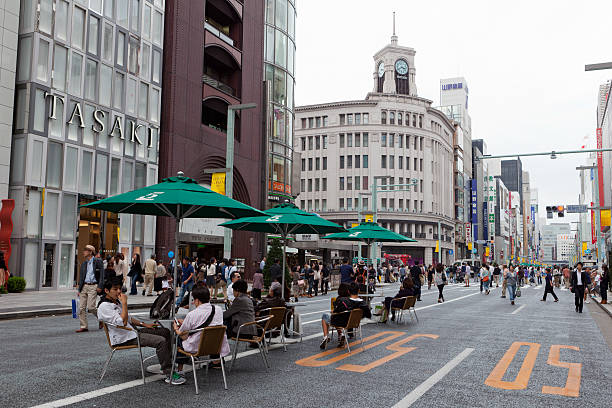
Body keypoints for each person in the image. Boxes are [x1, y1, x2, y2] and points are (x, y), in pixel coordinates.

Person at [98, 277, 185, 385]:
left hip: (132, 332)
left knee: (165, 331)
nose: (119, 291)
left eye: (119, 288)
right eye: (115, 289)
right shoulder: (104, 306)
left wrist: (144, 324)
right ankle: (169, 374)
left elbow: (128, 318)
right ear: (106, 291)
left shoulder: (115, 302)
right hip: (124, 338)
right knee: (161, 341)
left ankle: (169, 363)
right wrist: (124, 303)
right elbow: (122, 322)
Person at [173, 285, 230, 371]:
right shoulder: (218, 310)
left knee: (178, 339)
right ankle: (216, 361)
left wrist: (176, 328)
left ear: (196, 300)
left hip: (197, 347)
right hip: (215, 346)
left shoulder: (192, 314)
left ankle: (179, 371)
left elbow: (183, 335)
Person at [319, 283, 371, 349]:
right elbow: (368, 315)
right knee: (337, 317)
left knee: (325, 316)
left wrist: (333, 312)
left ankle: (326, 337)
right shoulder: (363, 303)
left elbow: (336, 312)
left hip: (342, 322)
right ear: (358, 291)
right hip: (354, 323)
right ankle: (341, 335)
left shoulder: (344, 301)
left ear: (348, 291)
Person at [76, 245, 105, 333]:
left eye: (85, 250)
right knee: (81, 308)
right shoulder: (84, 263)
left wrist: (100, 286)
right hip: (84, 286)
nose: (83, 252)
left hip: (93, 286)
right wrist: (79, 289)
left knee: (91, 307)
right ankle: (84, 326)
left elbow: (102, 275)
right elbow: (81, 276)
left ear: (90, 252)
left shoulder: (98, 261)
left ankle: (101, 319)